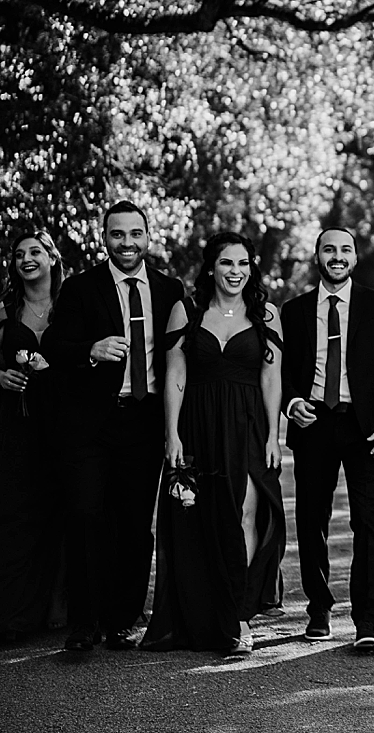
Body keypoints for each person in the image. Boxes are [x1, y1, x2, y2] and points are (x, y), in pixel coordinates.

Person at [45, 200, 185, 652]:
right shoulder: (82, 288)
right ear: (103, 237)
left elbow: (187, 355)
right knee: (86, 517)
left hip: (144, 425)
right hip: (90, 426)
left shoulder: (170, 290)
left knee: (134, 524)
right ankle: (83, 624)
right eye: (117, 234)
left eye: (135, 234)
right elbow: (52, 346)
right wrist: (91, 348)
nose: (127, 243)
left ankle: (122, 619)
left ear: (148, 237)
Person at [141, 233, 286, 656]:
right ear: (211, 267)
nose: (235, 271)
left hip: (248, 423)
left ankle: (238, 614)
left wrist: (274, 435)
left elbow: (270, 377)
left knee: (248, 510)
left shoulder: (266, 313)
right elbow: (175, 374)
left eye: (243, 264)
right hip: (198, 423)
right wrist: (172, 433)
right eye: (226, 263)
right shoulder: (184, 311)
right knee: (201, 518)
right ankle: (205, 613)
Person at [282, 227, 374, 650]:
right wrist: (291, 403)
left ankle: (367, 623)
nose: (337, 256)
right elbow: (282, 374)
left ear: (355, 257)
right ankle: (318, 608)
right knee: (310, 518)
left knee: (367, 520)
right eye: (329, 249)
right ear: (317, 257)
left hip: (366, 427)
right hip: (314, 423)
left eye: (345, 249)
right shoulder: (295, 310)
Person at [0, 229, 67, 643]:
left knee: (62, 507)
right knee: (13, 510)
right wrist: (2, 378)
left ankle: (60, 606)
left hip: (64, 420)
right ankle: (8, 610)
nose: (26, 259)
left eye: (35, 252)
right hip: (18, 421)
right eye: (19, 254)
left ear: (51, 258)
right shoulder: (6, 307)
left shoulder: (71, 303)